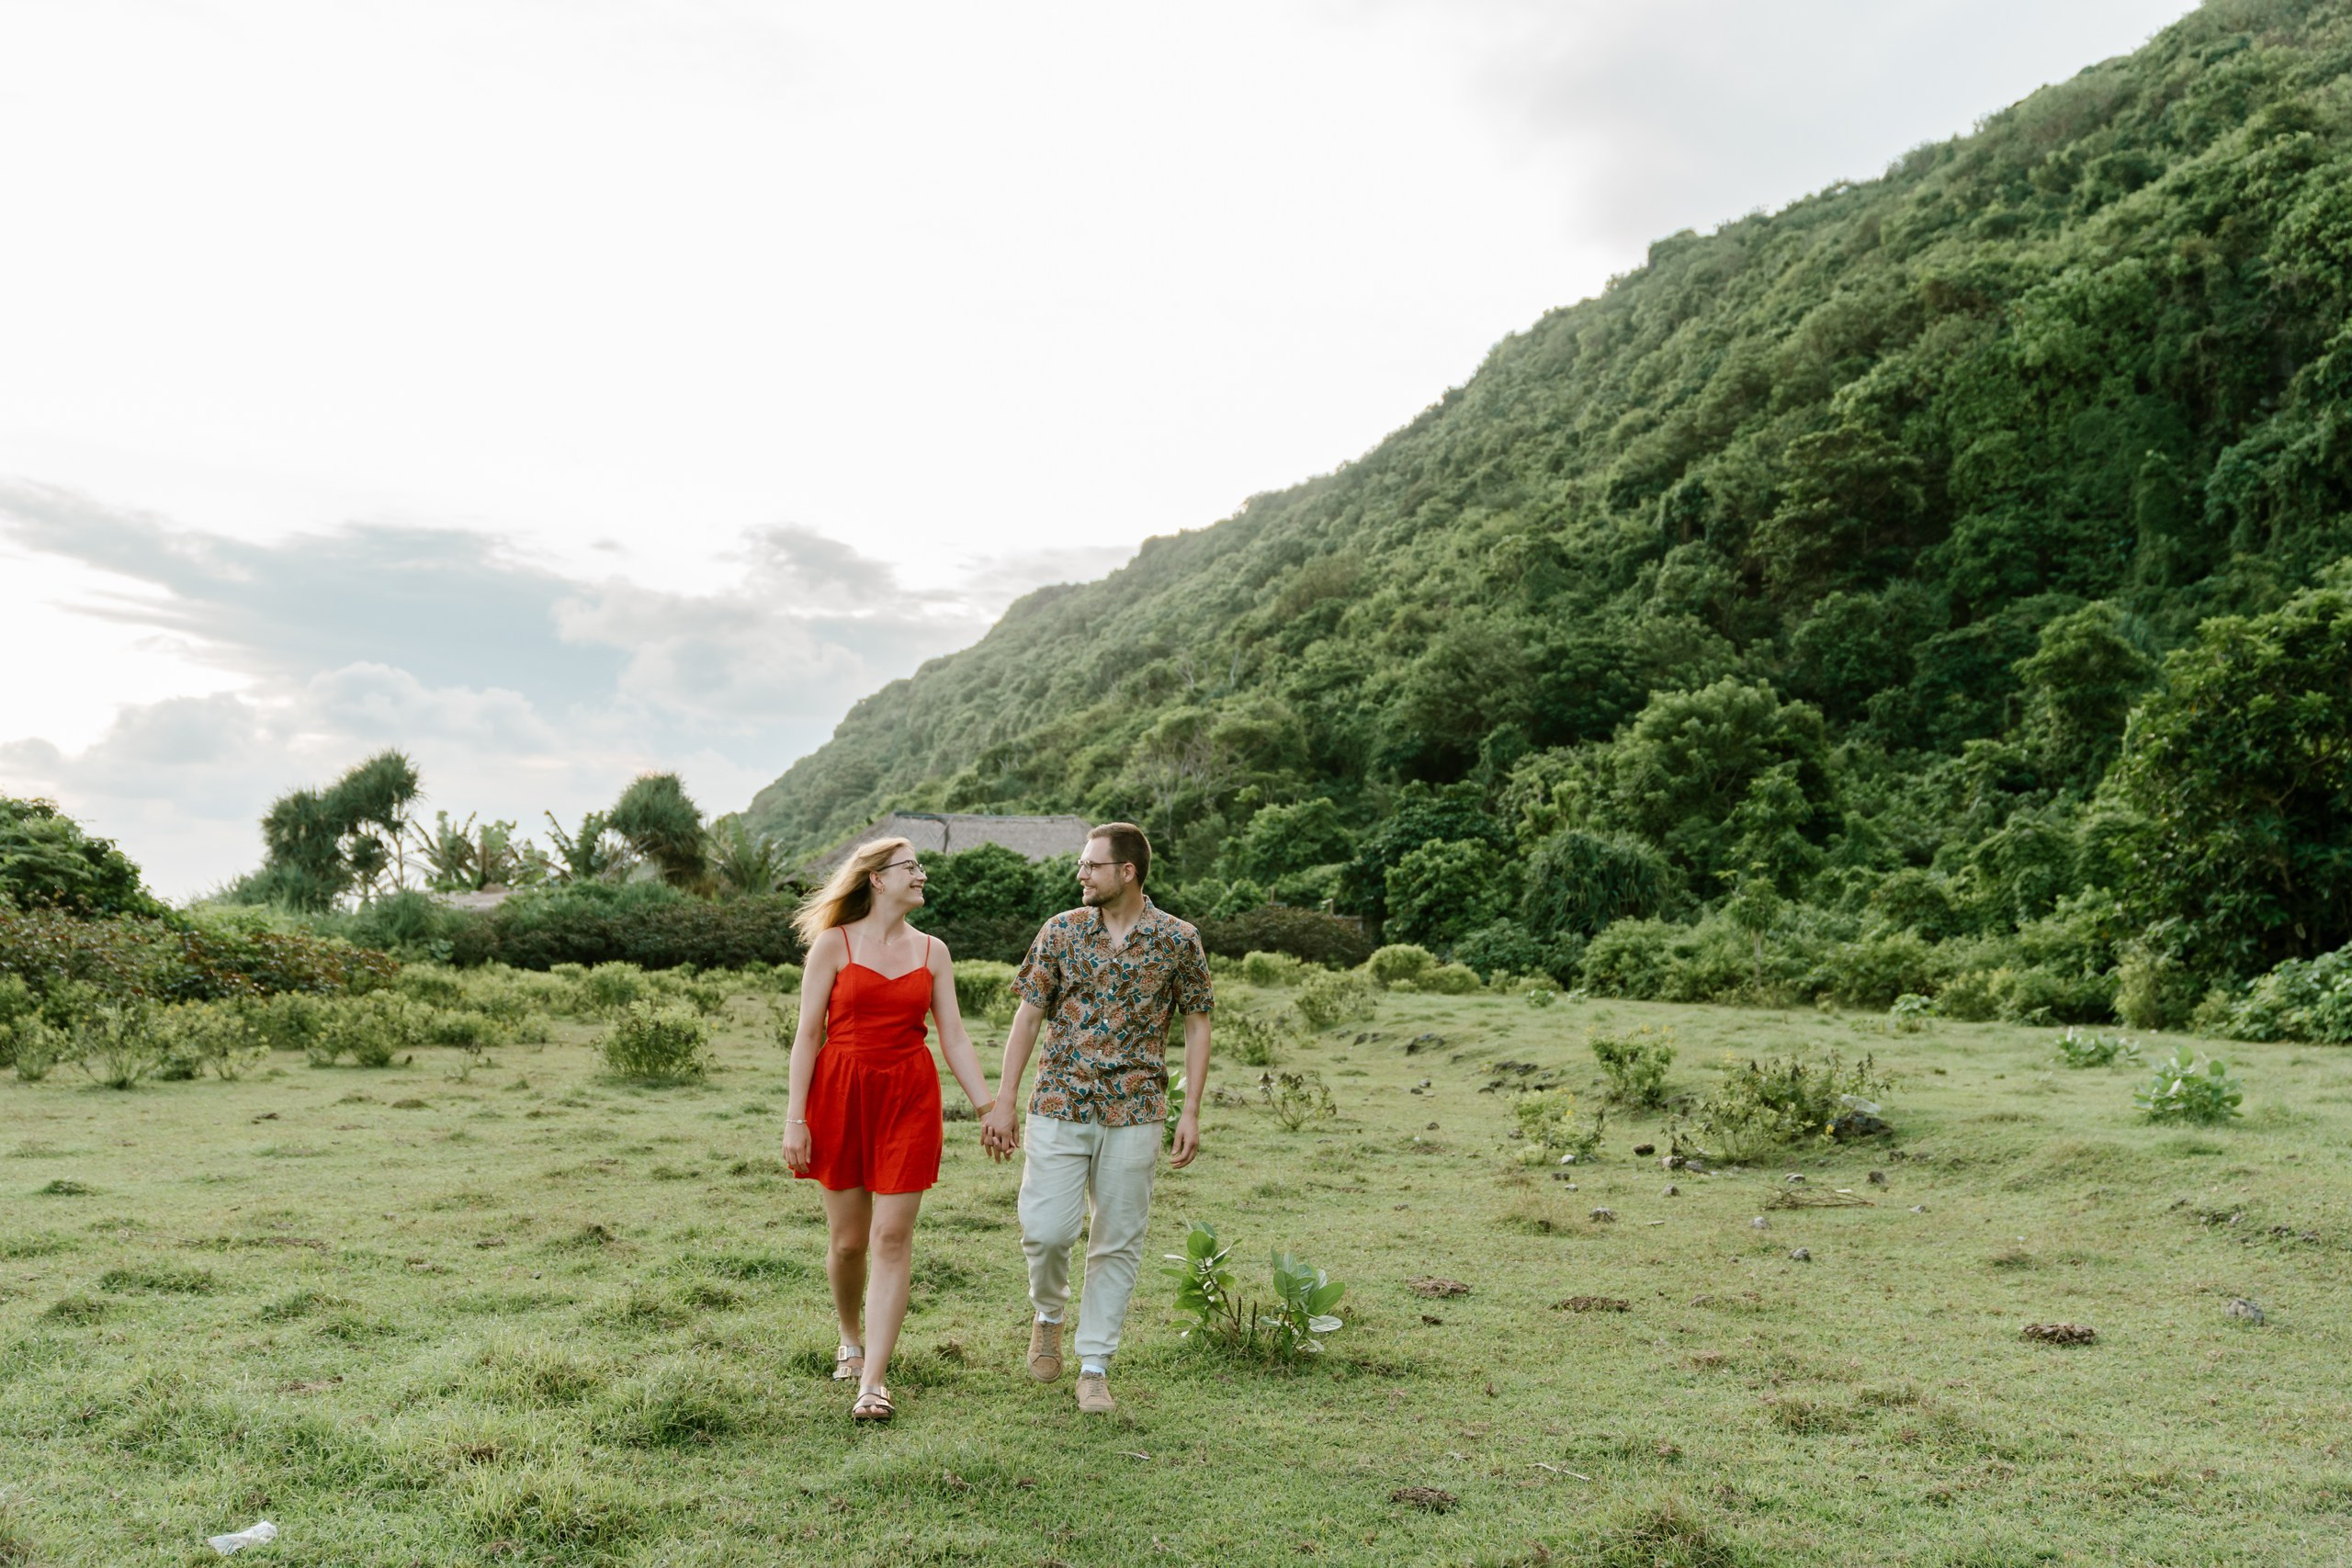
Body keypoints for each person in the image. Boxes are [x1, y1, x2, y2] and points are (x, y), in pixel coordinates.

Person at [978, 821, 1212, 1416]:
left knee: (1118, 1239)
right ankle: (1048, 1313)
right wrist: (1004, 1098)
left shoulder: (1178, 939)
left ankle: (1094, 1366)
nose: (1081, 873)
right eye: (1082, 864)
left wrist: (1191, 1108)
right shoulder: (1060, 931)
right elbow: (1028, 1017)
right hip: (1059, 1099)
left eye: (1092, 865)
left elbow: (1196, 1021)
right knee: (1047, 1228)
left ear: (1127, 871)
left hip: (1136, 1109)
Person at [781, 837, 1001, 1422]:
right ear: (878, 878)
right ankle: (849, 1337)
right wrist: (795, 1119)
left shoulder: (933, 952)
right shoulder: (834, 944)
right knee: (850, 1240)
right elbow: (807, 1036)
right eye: (912, 867)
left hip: (908, 1096)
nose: (921, 875)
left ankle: (873, 1382)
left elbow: (952, 1035)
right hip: (839, 1095)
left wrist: (988, 1107)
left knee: (891, 1240)